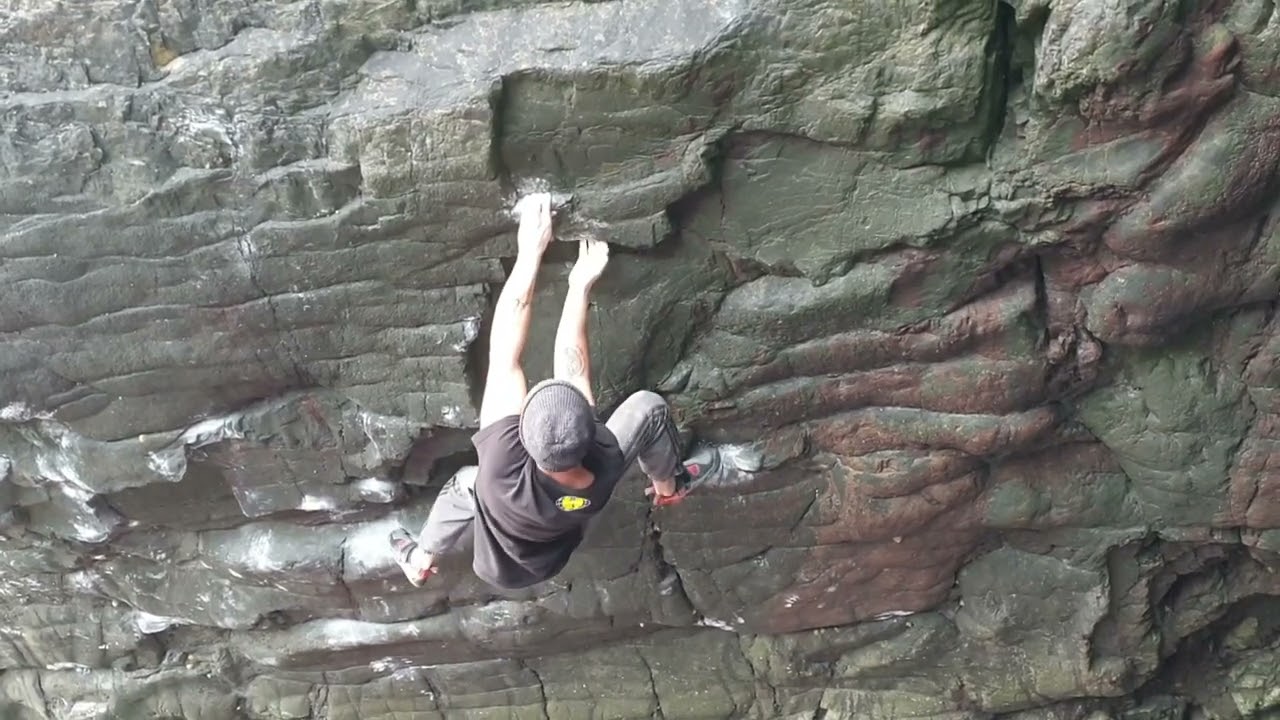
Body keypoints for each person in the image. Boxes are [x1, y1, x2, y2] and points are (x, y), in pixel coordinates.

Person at [388, 193, 721, 590]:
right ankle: (668, 488)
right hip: (554, 550)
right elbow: (571, 363)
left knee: (466, 481)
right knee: (648, 407)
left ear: (522, 438)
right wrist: (579, 285)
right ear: (589, 420)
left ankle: (421, 557)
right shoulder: (605, 458)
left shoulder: (500, 469)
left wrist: (530, 251)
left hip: (500, 564)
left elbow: (506, 357)